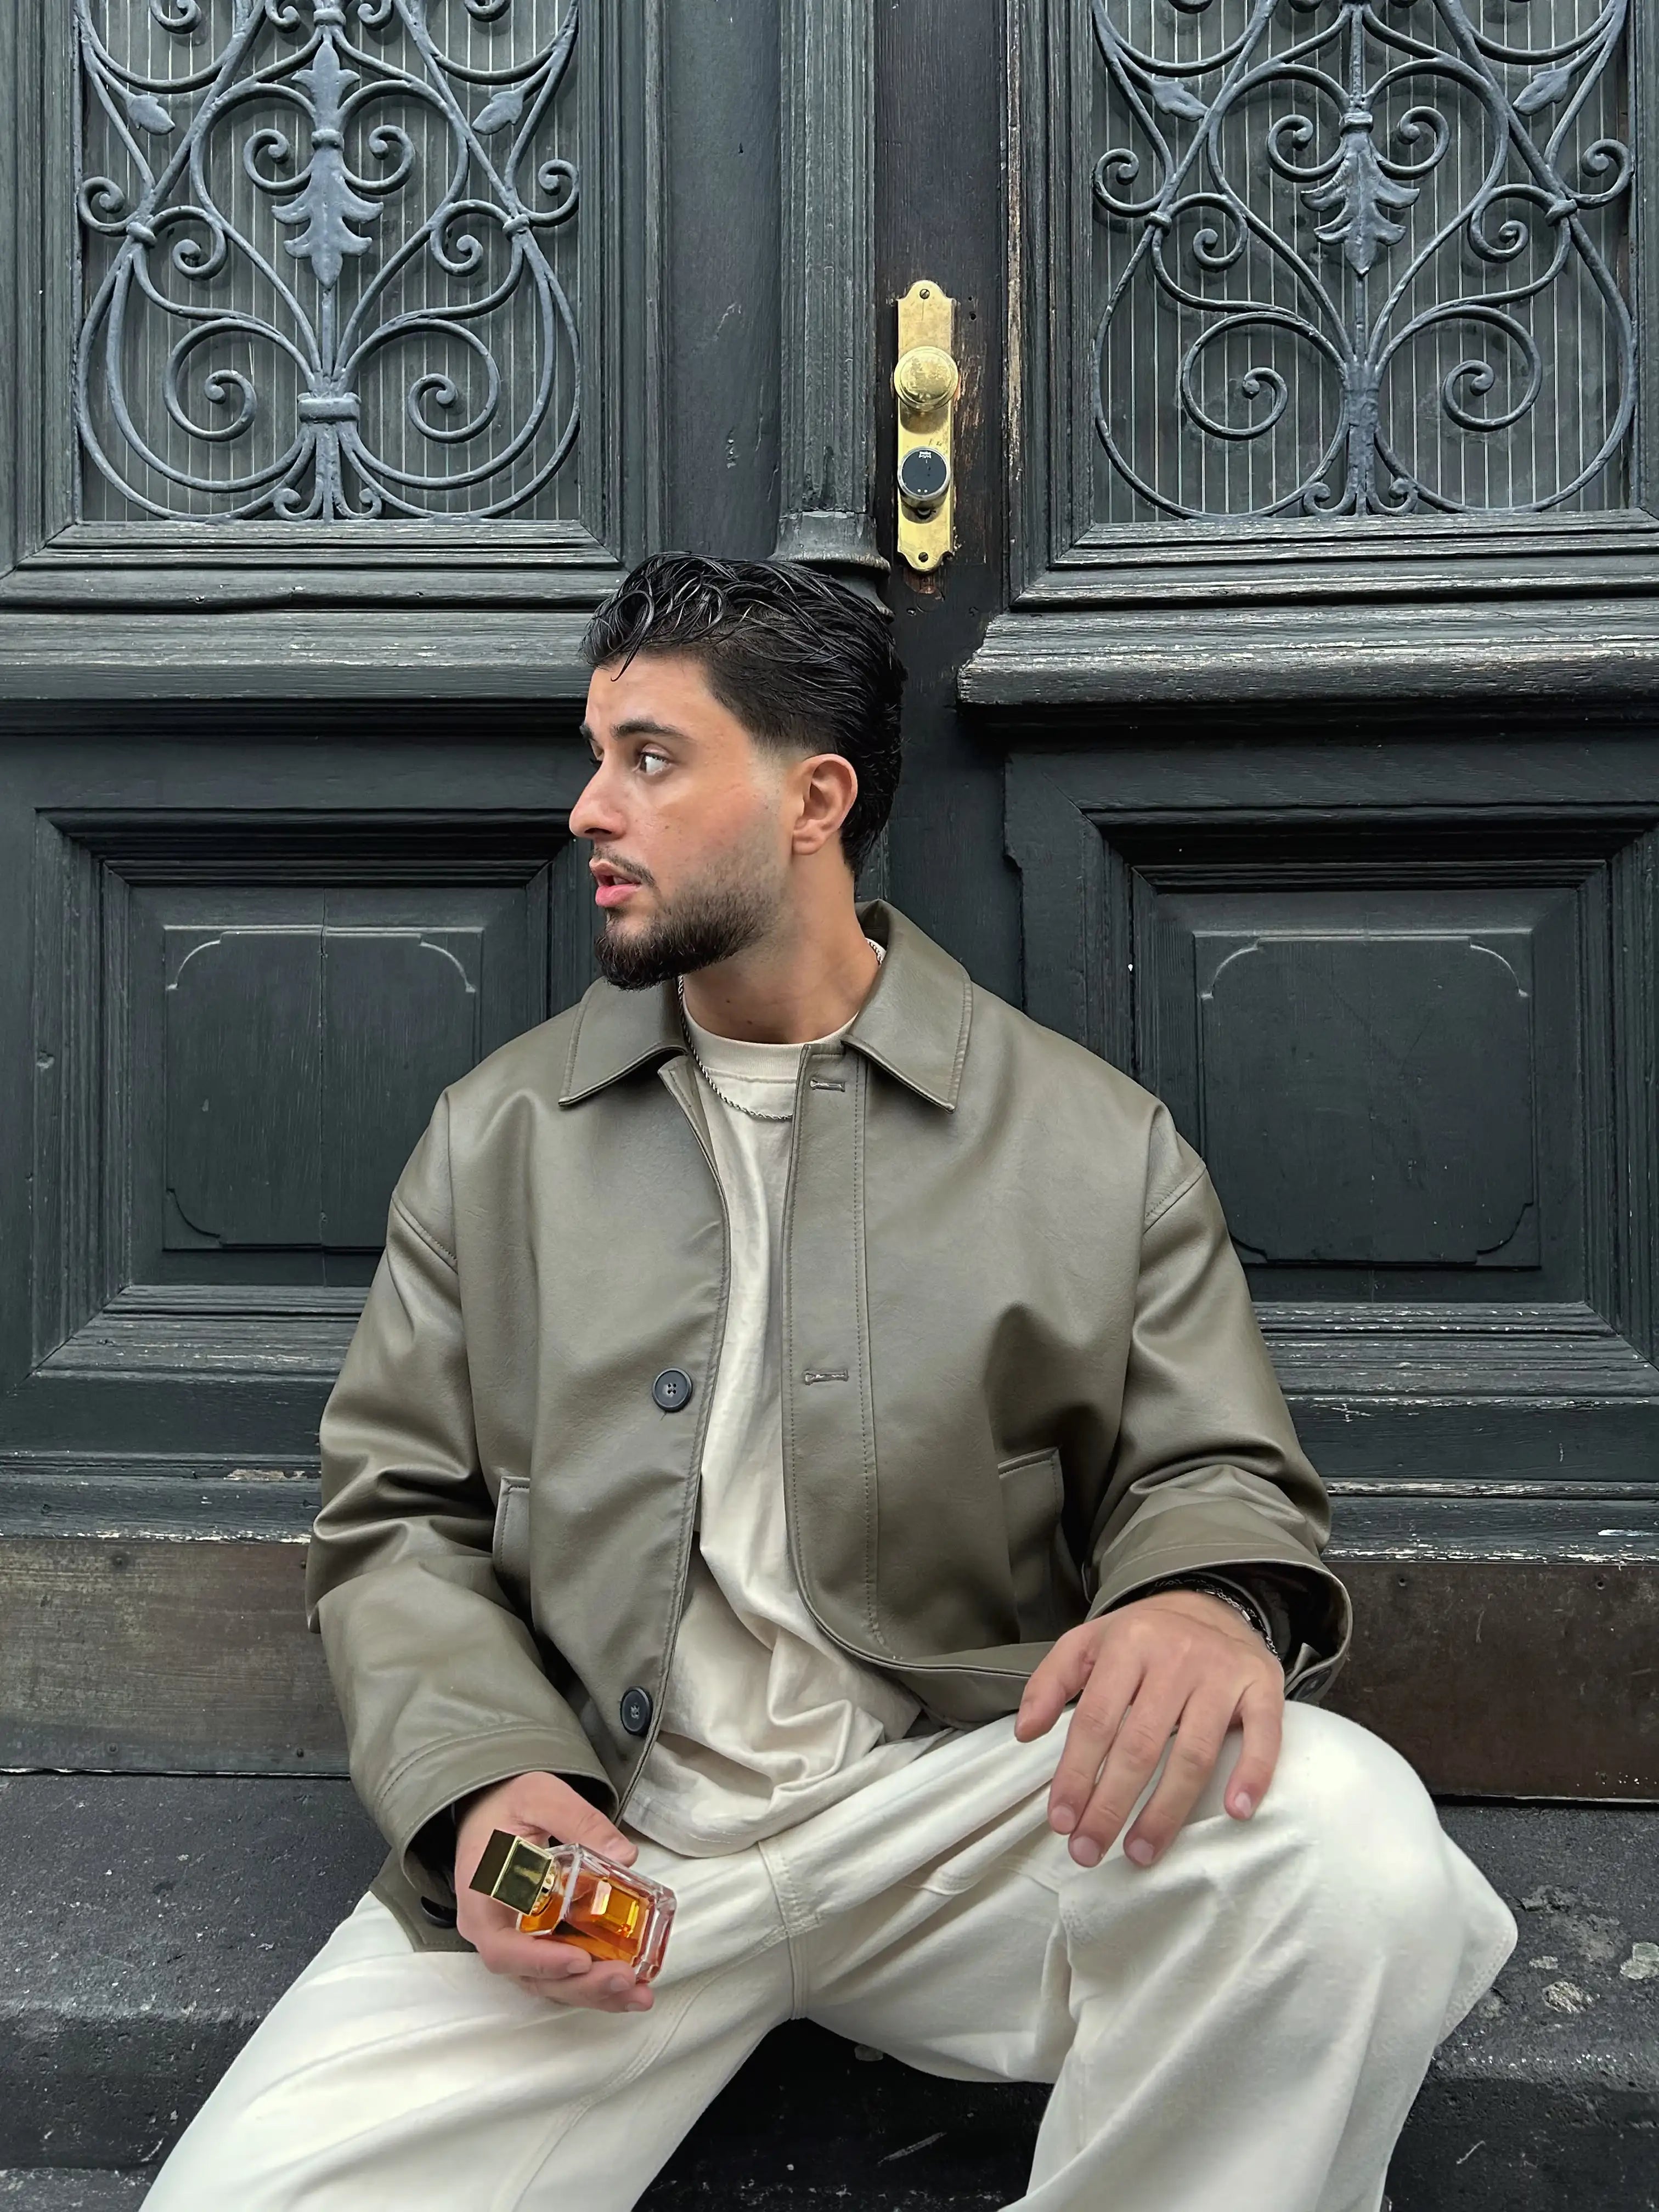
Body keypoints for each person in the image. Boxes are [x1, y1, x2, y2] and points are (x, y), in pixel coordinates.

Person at [146, 555, 1515, 2211]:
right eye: (595, 756)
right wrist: (486, 1784)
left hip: (958, 1814)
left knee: (1348, 1845)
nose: (590, 809)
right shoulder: (496, 1138)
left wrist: (1206, 1602)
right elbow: (396, 1522)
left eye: (652, 758)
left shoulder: (1091, 1144)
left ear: (815, 801)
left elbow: (1208, 1468)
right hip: (614, 1846)